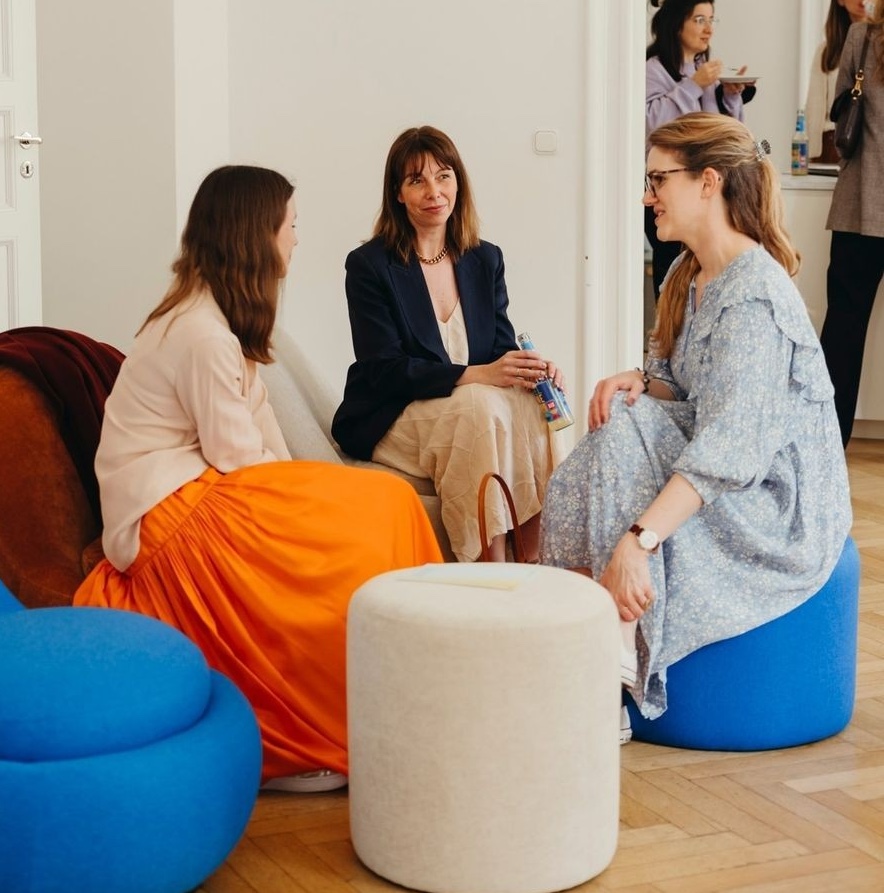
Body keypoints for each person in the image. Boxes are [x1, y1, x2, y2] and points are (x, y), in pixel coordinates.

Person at [74, 165, 443, 792]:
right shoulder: (199, 333)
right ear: (256, 235)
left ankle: (397, 700)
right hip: (167, 514)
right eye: (290, 226)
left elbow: (265, 437)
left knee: (384, 502)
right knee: (369, 514)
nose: (296, 239)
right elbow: (238, 458)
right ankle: (335, 721)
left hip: (207, 490)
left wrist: (316, 489)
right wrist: (309, 501)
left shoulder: (226, 323)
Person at [540, 113, 852, 740]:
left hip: (777, 505)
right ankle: (587, 633)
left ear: (708, 183)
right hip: (733, 466)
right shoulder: (691, 275)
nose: (647, 195)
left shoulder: (754, 297)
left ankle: (612, 662)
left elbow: (733, 449)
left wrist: (640, 541)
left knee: (626, 438)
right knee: (623, 419)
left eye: (658, 179)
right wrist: (639, 379)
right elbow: (684, 390)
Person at [332, 125, 564, 563]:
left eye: (443, 176)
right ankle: (488, 564)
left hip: (466, 411)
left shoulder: (484, 258)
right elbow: (384, 368)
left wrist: (531, 369)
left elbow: (498, 348)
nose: (433, 191)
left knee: (533, 399)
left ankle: (535, 557)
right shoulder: (369, 266)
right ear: (398, 193)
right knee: (478, 404)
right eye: (416, 180)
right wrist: (475, 376)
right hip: (392, 412)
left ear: (458, 181)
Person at [645, 0, 756, 301]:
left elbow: (721, 136)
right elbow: (651, 125)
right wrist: (694, 85)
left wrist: (731, 95)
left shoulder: (704, 70)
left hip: (710, 189)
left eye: (712, 20)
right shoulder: (654, 69)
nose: (708, 29)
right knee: (673, 272)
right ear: (676, 22)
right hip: (672, 187)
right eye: (699, 19)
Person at [820, 2, 884, 446]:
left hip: (862, 205)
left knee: (843, 328)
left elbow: (839, 115)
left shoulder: (862, 37)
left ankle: (825, 441)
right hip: (859, 207)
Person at [805, 0, 870, 164]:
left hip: (873, 143)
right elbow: (815, 107)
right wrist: (812, 155)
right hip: (834, 144)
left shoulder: (878, 47)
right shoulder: (827, 51)